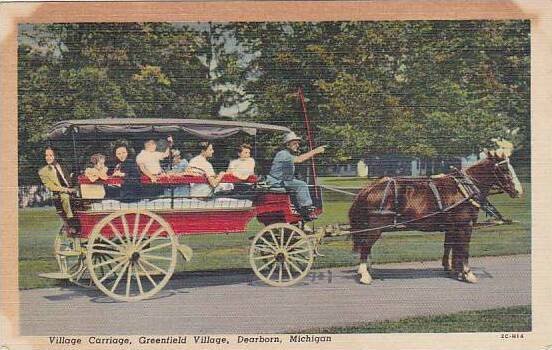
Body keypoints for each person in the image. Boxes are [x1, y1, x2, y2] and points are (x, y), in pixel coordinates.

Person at [266, 132, 325, 218]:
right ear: (287, 145)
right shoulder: (283, 154)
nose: (297, 145)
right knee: (301, 185)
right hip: (277, 181)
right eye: (294, 143)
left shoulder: (288, 154)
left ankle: (300, 209)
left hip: (283, 181)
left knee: (300, 184)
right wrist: (316, 151)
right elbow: (299, 159)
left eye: (298, 143)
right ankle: (306, 209)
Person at [38, 146, 78, 231]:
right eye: (46, 155)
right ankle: (71, 221)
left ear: (56, 156)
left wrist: (74, 187)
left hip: (73, 189)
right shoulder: (43, 171)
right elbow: (51, 187)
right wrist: (67, 190)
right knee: (65, 196)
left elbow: (73, 179)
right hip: (60, 193)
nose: (48, 158)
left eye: (50, 155)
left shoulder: (65, 166)